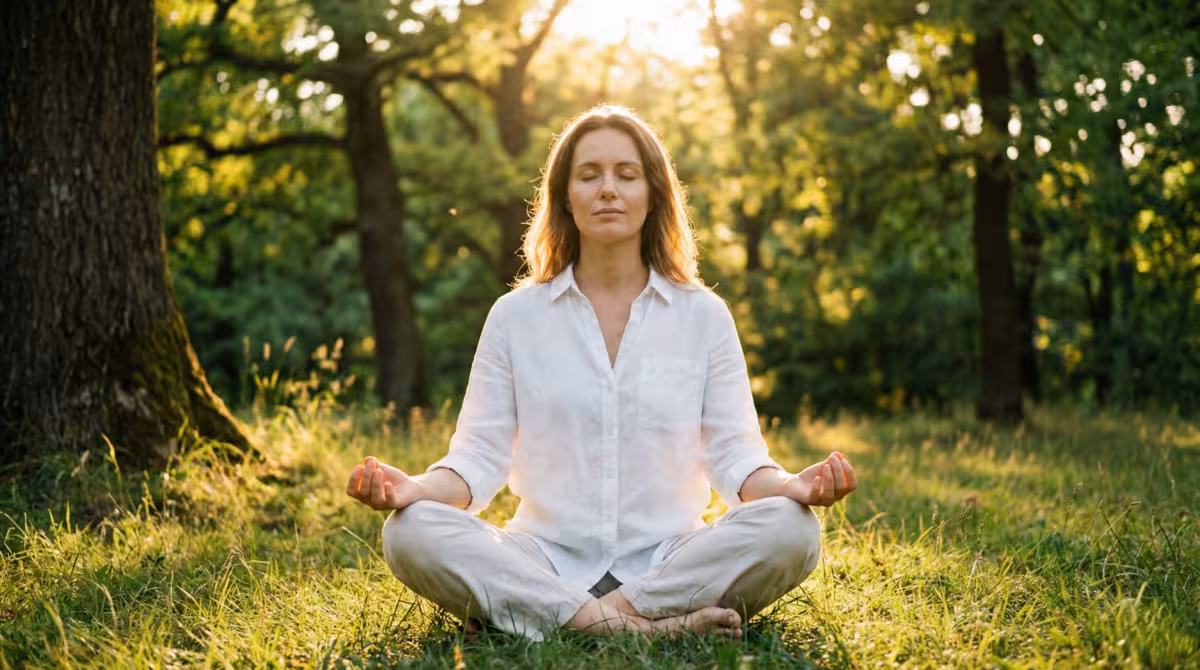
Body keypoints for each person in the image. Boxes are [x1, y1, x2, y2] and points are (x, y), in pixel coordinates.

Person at [346, 104, 858, 640]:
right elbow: (477, 458)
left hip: (670, 560)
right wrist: (415, 490)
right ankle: (634, 629)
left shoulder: (703, 315)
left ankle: (548, 617)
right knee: (410, 531)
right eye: (589, 175)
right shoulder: (515, 317)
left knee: (791, 528)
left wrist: (791, 485)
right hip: (542, 556)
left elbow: (737, 457)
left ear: (653, 192)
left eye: (626, 175)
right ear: (565, 198)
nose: (607, 189)